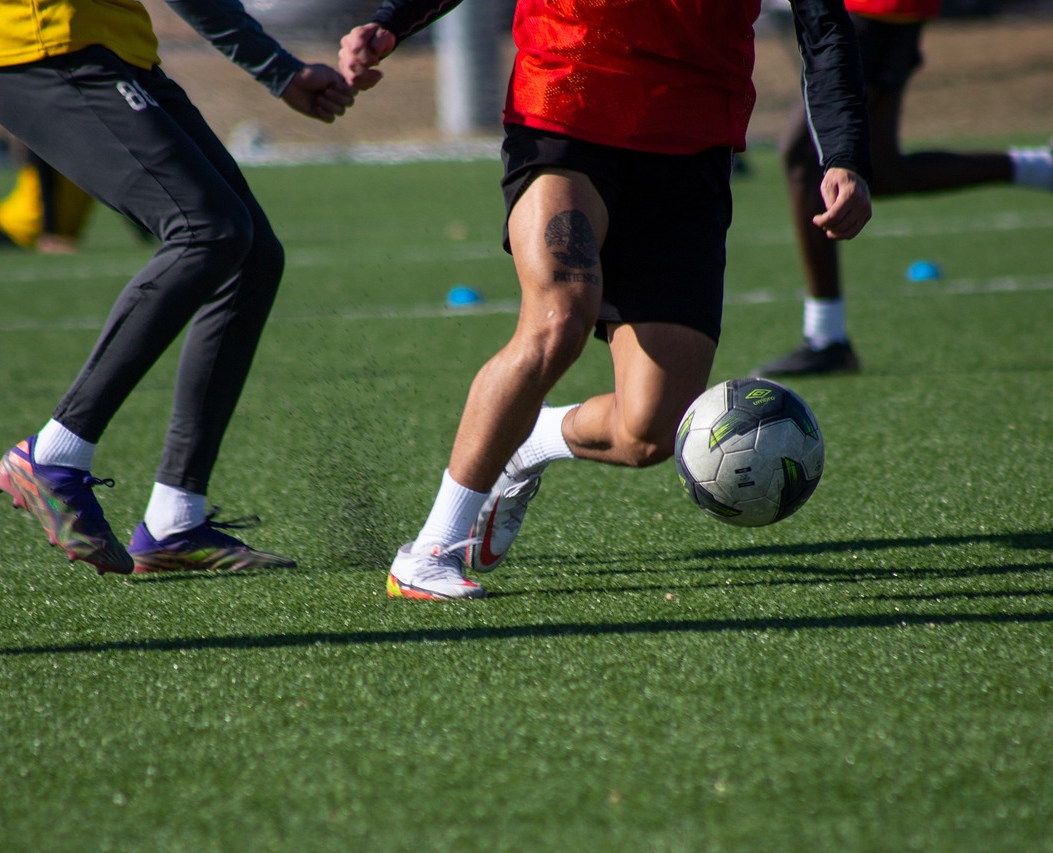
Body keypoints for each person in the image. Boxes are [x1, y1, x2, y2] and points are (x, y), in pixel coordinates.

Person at [338, 0, 874, 600]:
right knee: (559, 315)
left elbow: (824, 25)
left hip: (688, 146)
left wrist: (846, 155)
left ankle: (528, 441)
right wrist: (391, 19)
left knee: (651, 430)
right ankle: (431, 552)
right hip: (565, 107)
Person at [0, 0, 354, 575]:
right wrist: (276, 67)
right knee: (205, 231)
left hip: (113, 53)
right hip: (39, 45)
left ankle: (175, 520)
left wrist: (279, 70)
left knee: (252, 255)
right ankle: (55, 453)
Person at [759, 0, 1053, 376]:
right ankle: (1042, 168)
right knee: (878, 170)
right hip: (884, 9)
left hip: (871, 9)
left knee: (808, 158)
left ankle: (826, 338)